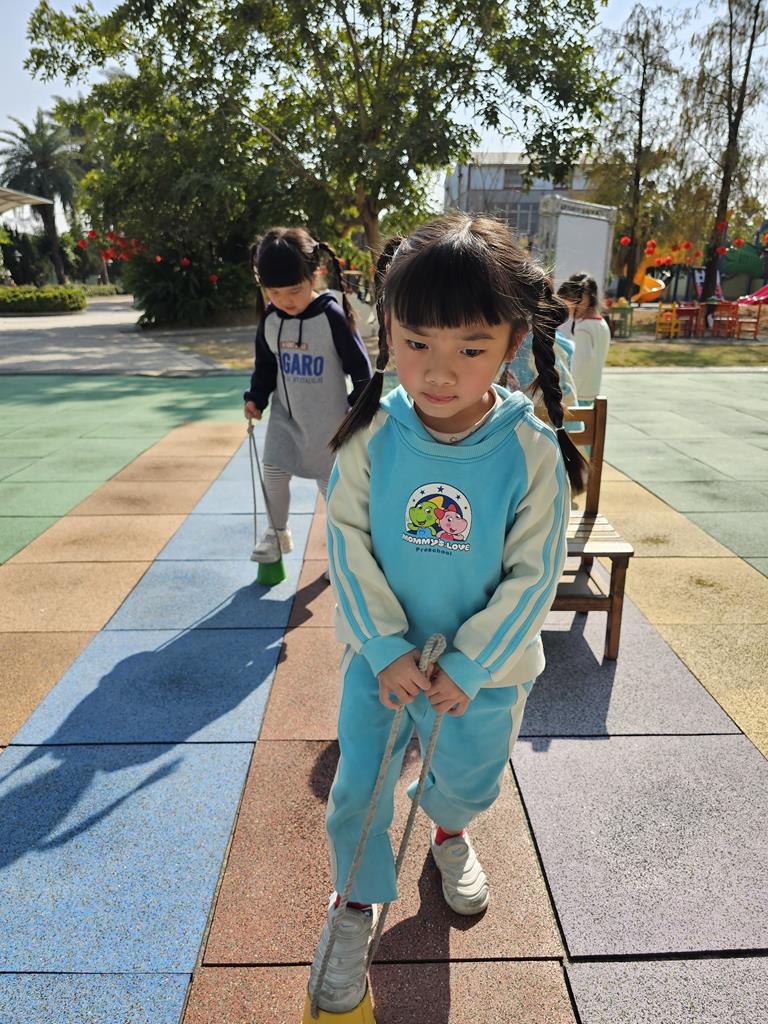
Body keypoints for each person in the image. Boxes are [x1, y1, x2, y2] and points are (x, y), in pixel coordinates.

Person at [307, 213, 588, 1013]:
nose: (438, 371)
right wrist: (383, 645)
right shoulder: (372, 434)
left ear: (511, 343)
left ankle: (449, 831)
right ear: (388, 331)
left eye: (470, 348)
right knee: (358, 789)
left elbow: (534, 575)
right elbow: (347, 543)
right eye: (416, 342)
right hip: (382, 663)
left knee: (466, 780)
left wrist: (468, 665)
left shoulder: (530, 451)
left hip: (483, 675)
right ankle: (353, 902)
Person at [243, 228, 372, 565]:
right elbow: (265, 366)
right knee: (273, 471)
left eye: (294, 290)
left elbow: (359, 366)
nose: (285, 300)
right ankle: (277, 534)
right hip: (286, 418)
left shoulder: (331, 317)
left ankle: (342, 555)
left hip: (328, 424)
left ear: (315, 275)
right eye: (274, 292)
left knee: (333, 491)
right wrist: (256, 398)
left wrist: (360, 404)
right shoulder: (271, 320)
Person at [556, 272, 611, 402]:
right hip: (593, 389)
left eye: (571, 300)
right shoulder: (602, 323)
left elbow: (580, 362)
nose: (568, 306)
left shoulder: (583, 327)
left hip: (579, 392)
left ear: (586, 299)